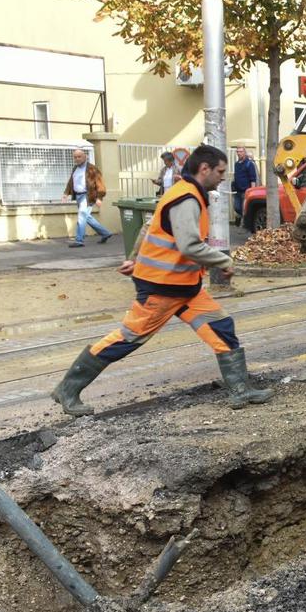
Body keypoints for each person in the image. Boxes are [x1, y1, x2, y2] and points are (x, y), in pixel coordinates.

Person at [50, 144, 273, 416]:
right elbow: (189, 246)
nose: (223, 177)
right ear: (204, 169)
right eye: (220, 171)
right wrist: (224, 261)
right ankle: (67, 390)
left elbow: (148, 226)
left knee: (221, 326)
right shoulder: (186, 198)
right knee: (127, 339)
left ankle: (241, 390)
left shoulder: (183, 192)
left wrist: (133, 257)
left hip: (184, 287)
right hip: (163, 288)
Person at [63, 148, 113, 247]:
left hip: (88, 196)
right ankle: (105, 233)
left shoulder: (92, 169)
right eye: (75, 157)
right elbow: (71, 182)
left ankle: (79, 240)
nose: (77, 159)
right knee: (87, 217)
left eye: (79, 156)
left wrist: (99, 198)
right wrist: (66, 193)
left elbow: (100, 184)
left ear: (85, 156)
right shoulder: (75, 168)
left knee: (82, 216)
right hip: (78, 196)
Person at [232, 146, 257, 224]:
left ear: (244, 152)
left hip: (246, 191)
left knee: (244, 209)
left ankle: (244, 224)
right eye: (237, 151)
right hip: (237, 191)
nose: (239, 153)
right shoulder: (236, 164)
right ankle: (240, 219)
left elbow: (253, 178)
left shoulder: (249, 164)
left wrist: (252, 191)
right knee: (236, 207)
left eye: (241, 151)